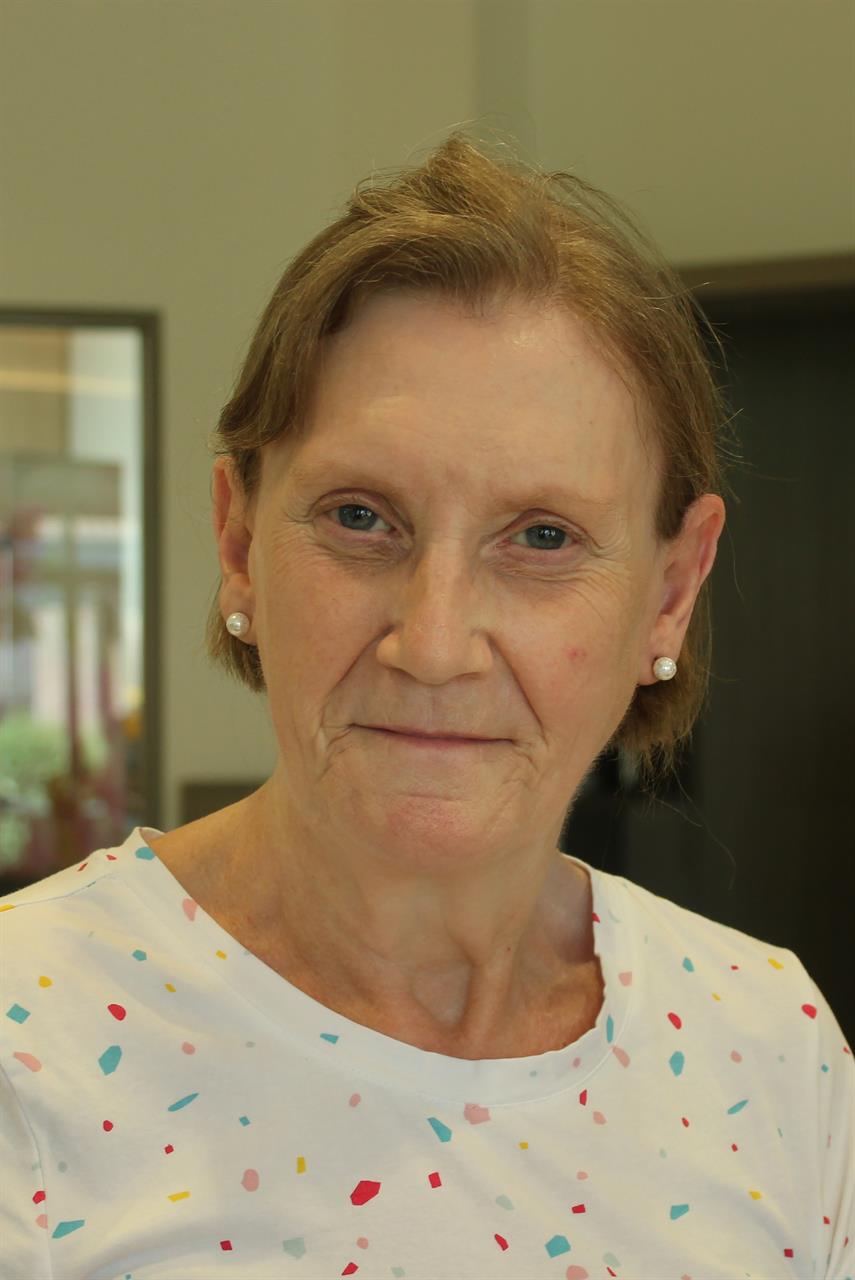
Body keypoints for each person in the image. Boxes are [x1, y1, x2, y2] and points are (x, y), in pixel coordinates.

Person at [1, 132, 852, 1280]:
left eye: (542, 536)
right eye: (360, 517)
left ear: (671, 591)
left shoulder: (771, 1050)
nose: (436, 644)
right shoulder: (28, 1044)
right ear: (240, 542)